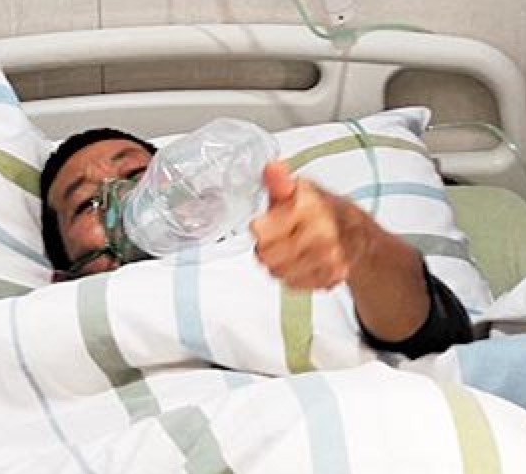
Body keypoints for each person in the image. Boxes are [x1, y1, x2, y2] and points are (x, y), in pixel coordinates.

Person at [40, 128, 474, 356]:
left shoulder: (286, 253)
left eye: (139, 176)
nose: (126, 199)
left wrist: (357, 245)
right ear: (64, 277)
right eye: (85, 204)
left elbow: (437, 343)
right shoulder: (55, 317)